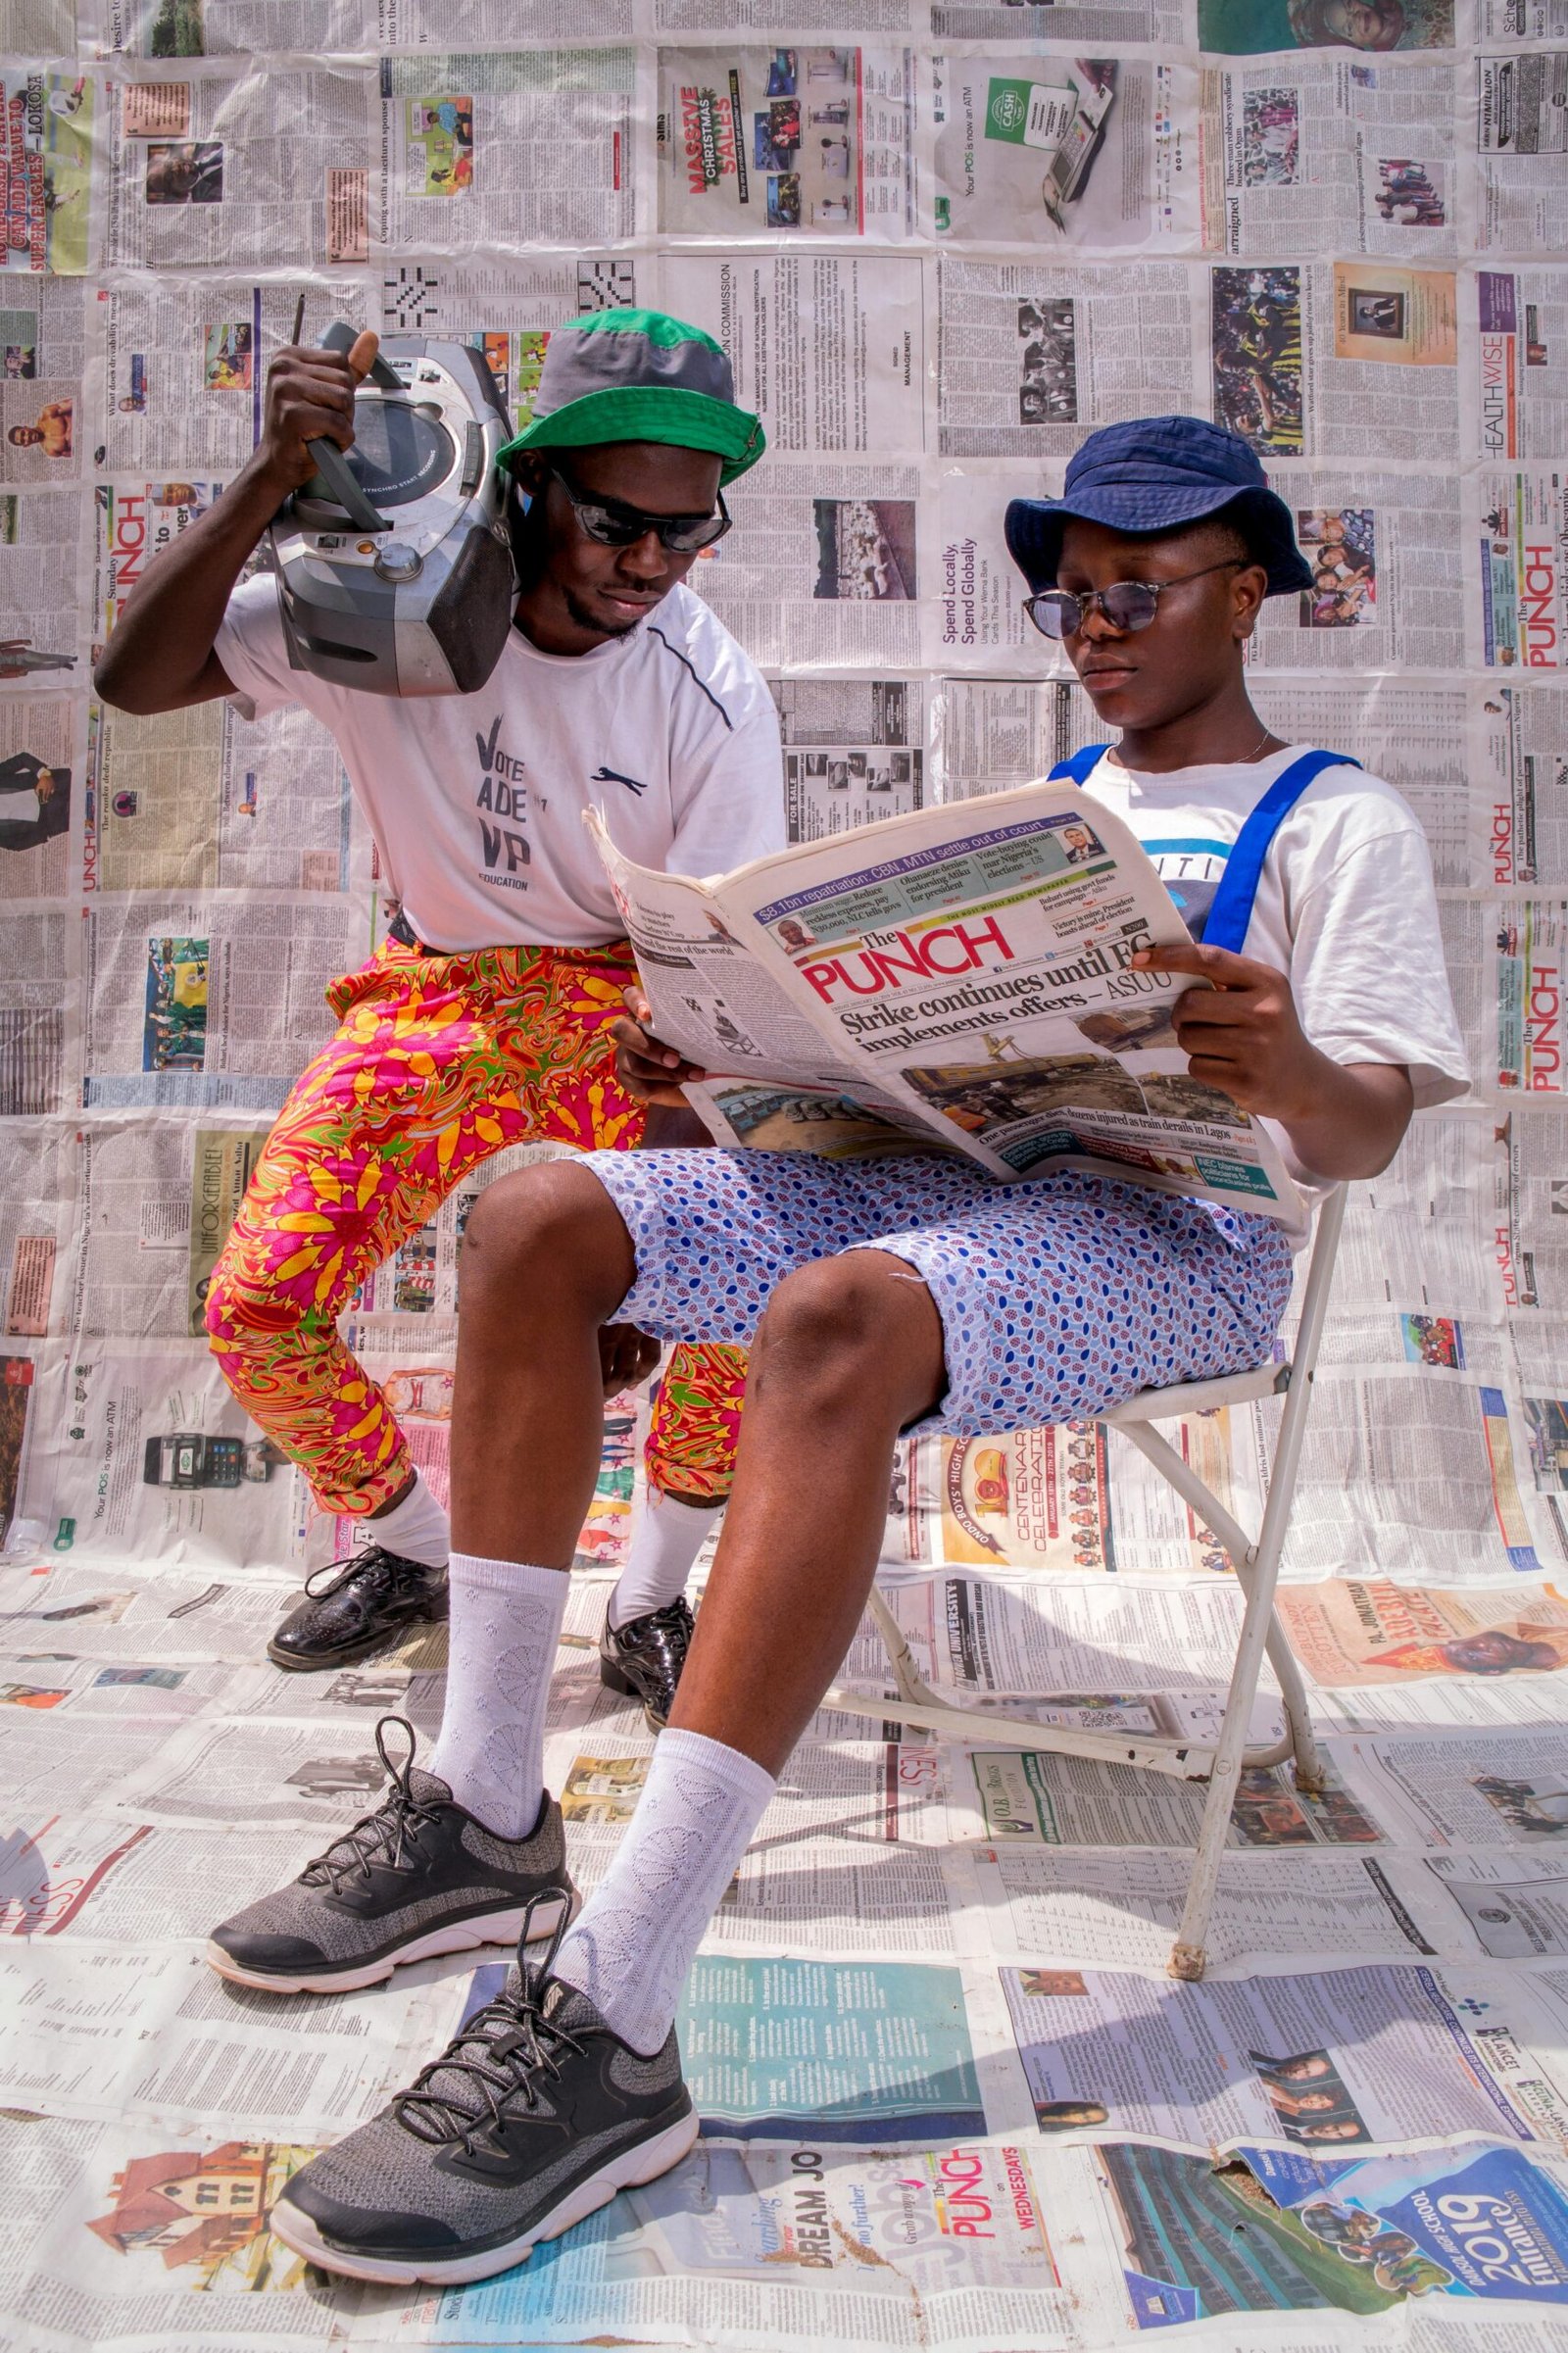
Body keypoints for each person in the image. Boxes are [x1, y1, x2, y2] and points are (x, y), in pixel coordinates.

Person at [237, 414, 1467, 2286]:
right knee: (540, 1212)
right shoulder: (1063, 801)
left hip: (1179, 1242)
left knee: (829, 1319)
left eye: (1139, 589)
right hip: (967, 1185)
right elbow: (918, 1088)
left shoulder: (1338, 820)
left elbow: (1365, 1130)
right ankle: (487, 1801)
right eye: (1073, 594)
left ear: (1249, 596)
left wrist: (1286, 1063)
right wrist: (736, 1047)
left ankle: (616, 2016)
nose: (1097, 625)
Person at [94, 309, 781, 1730]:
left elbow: (711, 989)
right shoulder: (381, 601)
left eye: (688, 532)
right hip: (439, 991)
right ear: (527, 483)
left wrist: (650, 1266)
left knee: (738, 1292)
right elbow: (133, 679)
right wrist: (268, 481)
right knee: (257, 1305)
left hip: (629, 1009)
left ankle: (651, 1596)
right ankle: (412, 1551)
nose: (650, 564)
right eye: (615, 523)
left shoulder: (708, 689)